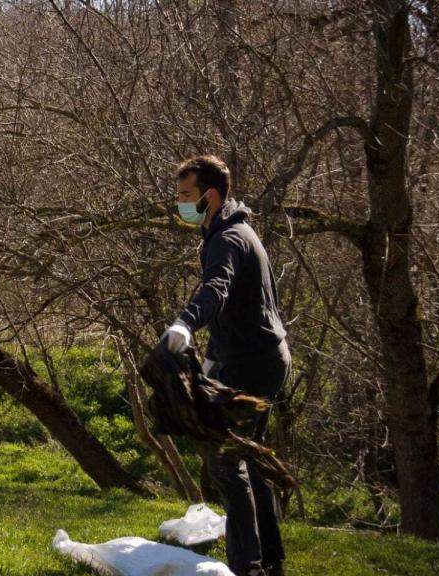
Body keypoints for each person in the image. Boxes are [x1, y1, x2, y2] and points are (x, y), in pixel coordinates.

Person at [161, 156, 290, 576]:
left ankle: (248, 566)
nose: (179, 203)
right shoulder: (236, 229)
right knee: (249, 458)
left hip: (252, 364)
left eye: (185, 196)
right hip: (261, 357)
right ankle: (269, 561)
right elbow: (240, 305)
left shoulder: (228, 239)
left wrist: (185, 323)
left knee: (225, 461)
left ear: (209, 196)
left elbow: (216, 288)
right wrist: (215, 355)